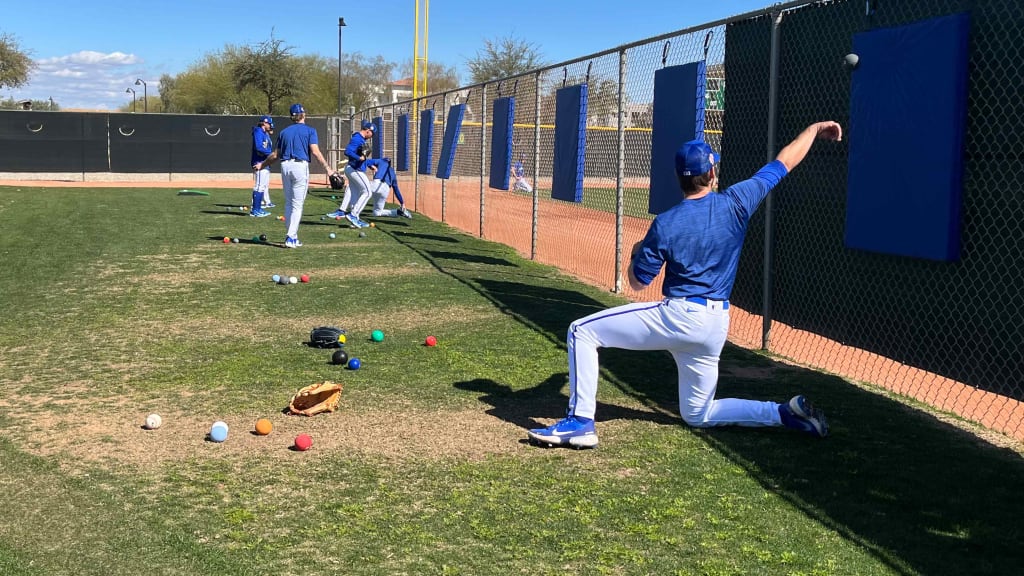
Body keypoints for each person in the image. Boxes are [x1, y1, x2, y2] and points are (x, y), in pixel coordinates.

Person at [527, 121, 843, 449]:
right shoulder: (737, 202)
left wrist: (637, 251)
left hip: (679, 317)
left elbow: (636, 283)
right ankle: (785, 414)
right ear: (712, 174)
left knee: (582, 331)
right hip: (715, 324)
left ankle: (580, 422)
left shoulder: (666, 222)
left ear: (680, 179)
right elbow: (785, 162)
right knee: (698, 413)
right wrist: (813, 129)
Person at [254, 104, 331, 248]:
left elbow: (275, 155)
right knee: (297, 204)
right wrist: (329, 169)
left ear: (292, 117)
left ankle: (293, 237)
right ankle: (290, 237)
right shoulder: (310, 130)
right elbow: (315, 151)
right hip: (300, 166)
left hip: (285, 166)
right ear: (304, 115)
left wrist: (262, 165)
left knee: (289, 203)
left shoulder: (284, 132)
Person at [326, 120, 376, 229]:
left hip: (353, 168)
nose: (372, 136)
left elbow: (361, 157)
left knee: (354, 193)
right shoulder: (358, 138)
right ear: (368, 131)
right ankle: (353, 215)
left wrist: (368, 164)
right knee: (367, 192)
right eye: (373, 133)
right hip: (355, 169)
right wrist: (359, 158)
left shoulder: (360, 139)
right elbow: (347, 151)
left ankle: (353, 217)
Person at [340, 158, 412, 220]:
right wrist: (402, 203)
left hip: (376, 184)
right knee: (377, 212)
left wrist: (372, 167)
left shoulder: (381, 161)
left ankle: (345, 210)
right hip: (385, 190)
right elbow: (396, 190)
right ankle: (398, 212)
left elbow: (366, 161)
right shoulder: (392, 172)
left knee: (352, 186)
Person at [249, 115, 275, 217]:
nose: (270, 125)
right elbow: (259, 147)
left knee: (263, 186)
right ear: (264, 123)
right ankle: (255, 210)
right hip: (259, 162)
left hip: (264, 163)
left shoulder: (264, 134)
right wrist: (271, 154)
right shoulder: (258, 132)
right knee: (259, 186)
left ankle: (259, 208)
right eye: (268, 123)